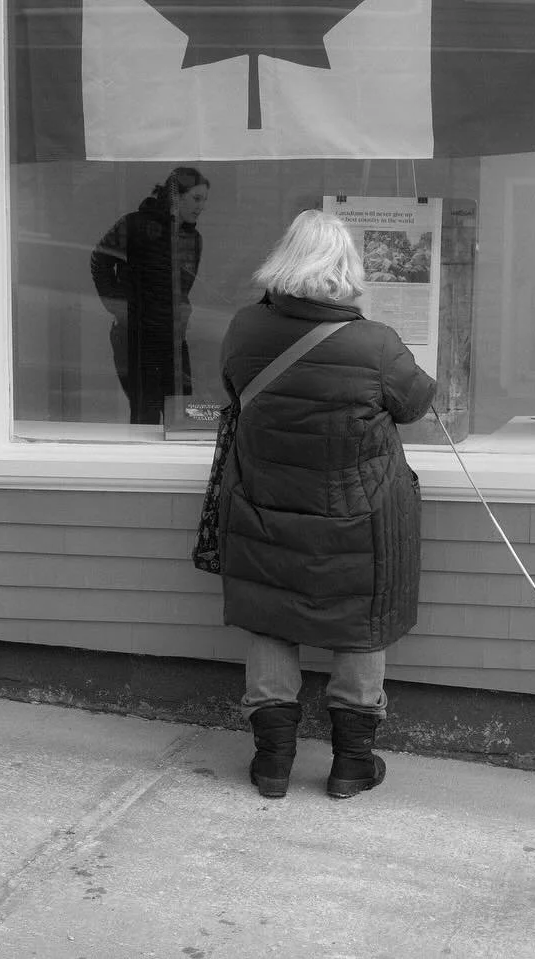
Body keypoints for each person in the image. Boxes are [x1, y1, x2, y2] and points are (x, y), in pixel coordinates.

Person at [215, 209, 436, 800]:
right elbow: (416, 404)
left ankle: (271, 764)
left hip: (267, 507)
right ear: (346, 268)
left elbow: (236, 394)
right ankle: (351, 766)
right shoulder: (376, 344)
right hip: (357, 517)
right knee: (360, 629)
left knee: (270, 619)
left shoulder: (243, 329)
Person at [90, 167, 209, 424]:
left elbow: (182, 286)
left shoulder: (194, 238)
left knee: (181, 411)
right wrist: (117, 305)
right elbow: (100, 260)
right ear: (176, 197)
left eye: (204, 200)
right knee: (145, 409)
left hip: (173, 336)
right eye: (197, 198)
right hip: (137, 336)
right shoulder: (134, 224)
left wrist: (181, 309)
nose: (202, 207)